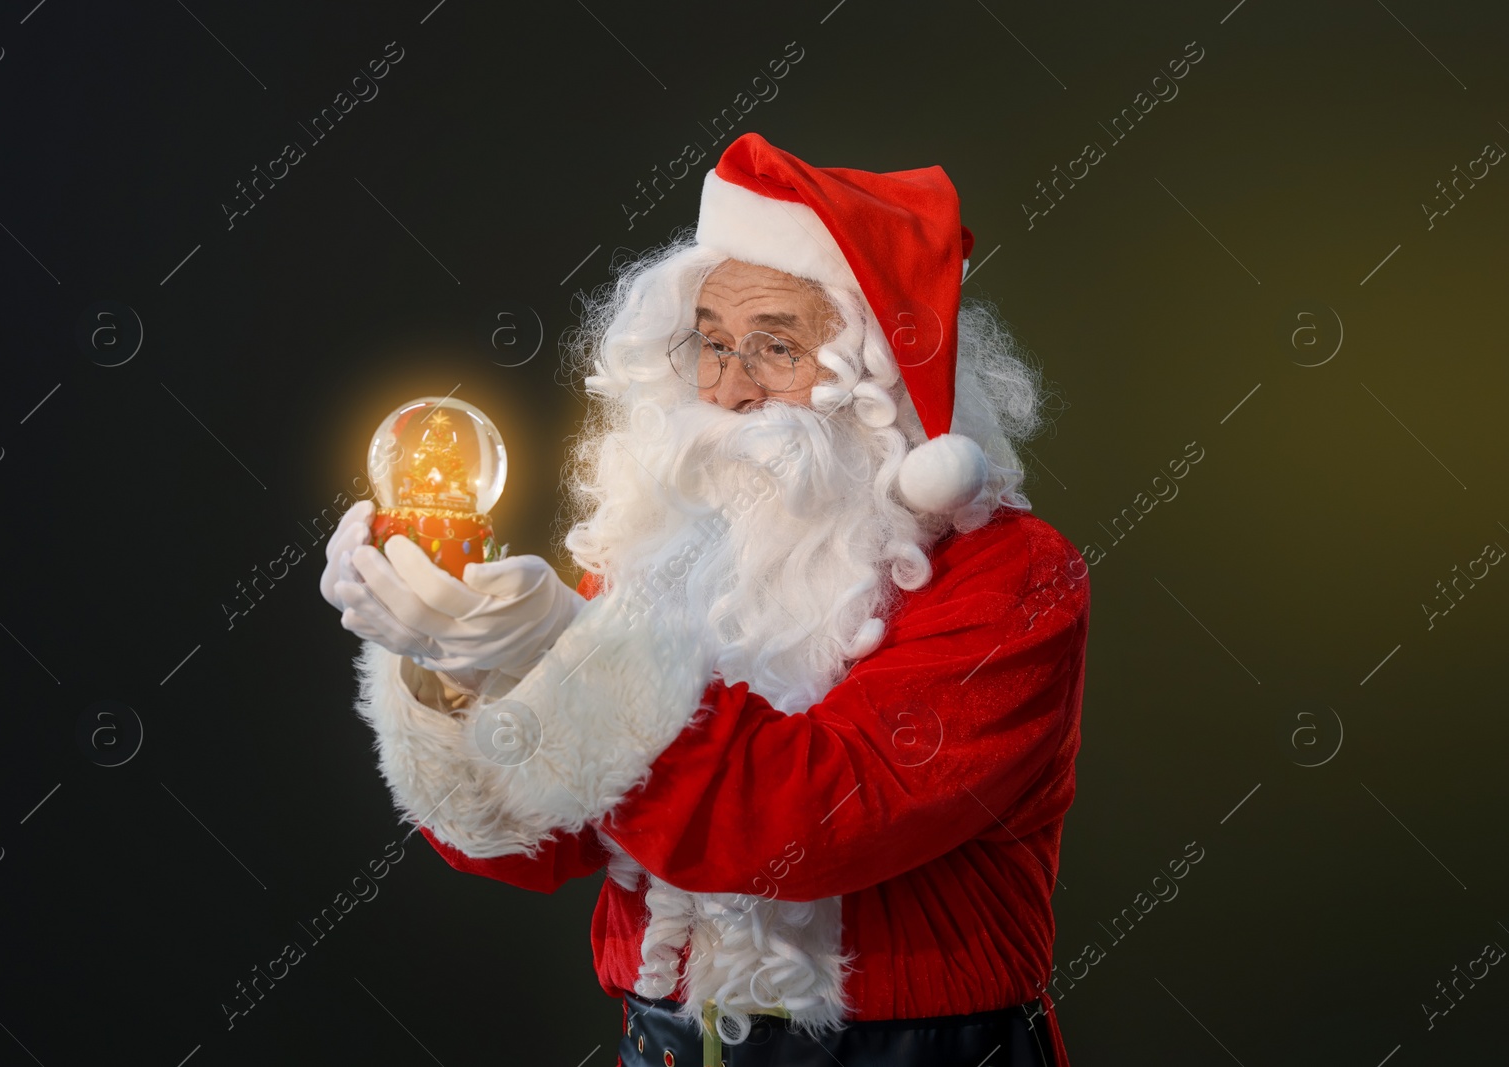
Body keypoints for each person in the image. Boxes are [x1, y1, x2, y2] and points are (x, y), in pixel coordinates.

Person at [320, 133, 1090, 1066]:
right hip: (671, 1042)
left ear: (878, 377)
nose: (727, 391)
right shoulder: (656, 550)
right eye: (713, 344)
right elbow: (528, 842)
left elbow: (816, 819)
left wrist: (566, 649)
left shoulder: (1013, 577)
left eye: (776, 346)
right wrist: (455, 660)